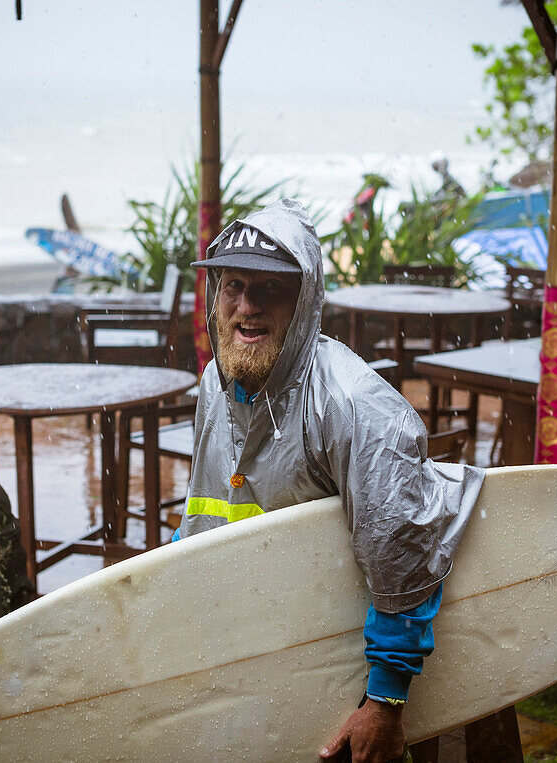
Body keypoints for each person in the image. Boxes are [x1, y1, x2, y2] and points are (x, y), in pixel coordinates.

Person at [181, 198, 485, 762]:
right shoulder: (213, 384)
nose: (246, 307)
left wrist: (386, 699)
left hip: (338, 665)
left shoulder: (352, 405)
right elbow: (204, 508)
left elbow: (400, 554)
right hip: (251, 649)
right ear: (213, 294)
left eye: (269, 290)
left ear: (304, 302)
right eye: (232, 286)